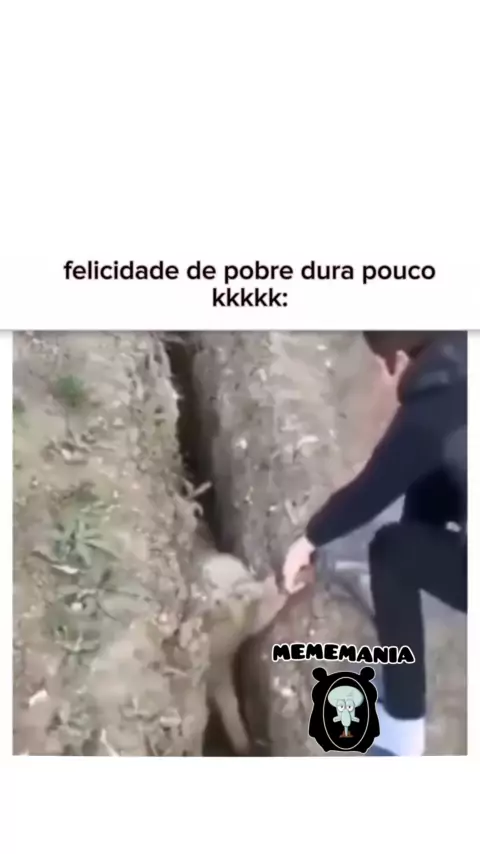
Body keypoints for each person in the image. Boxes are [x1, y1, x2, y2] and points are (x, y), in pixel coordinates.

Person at [281, 331, 467, 756]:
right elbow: (428, 478)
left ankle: (403, 730)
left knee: (390, 552)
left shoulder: (432, 410)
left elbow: (372, 490)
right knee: (426, 492)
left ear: (396, 360)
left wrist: (307, 540)